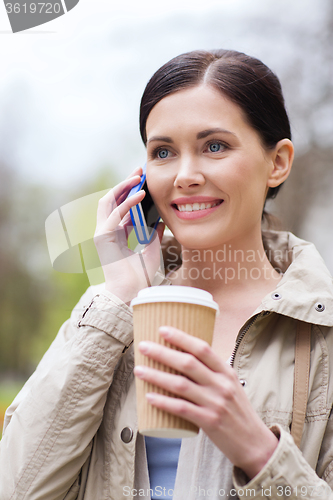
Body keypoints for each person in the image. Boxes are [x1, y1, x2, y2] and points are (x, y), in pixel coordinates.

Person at [1, 49, 333, 500]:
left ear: (278, 163)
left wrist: (260, 453)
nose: (185, 175)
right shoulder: (113, 315)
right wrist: (118, 300)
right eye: (163, 152)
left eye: (214, 146)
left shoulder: (322, 332)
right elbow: (16, 489)